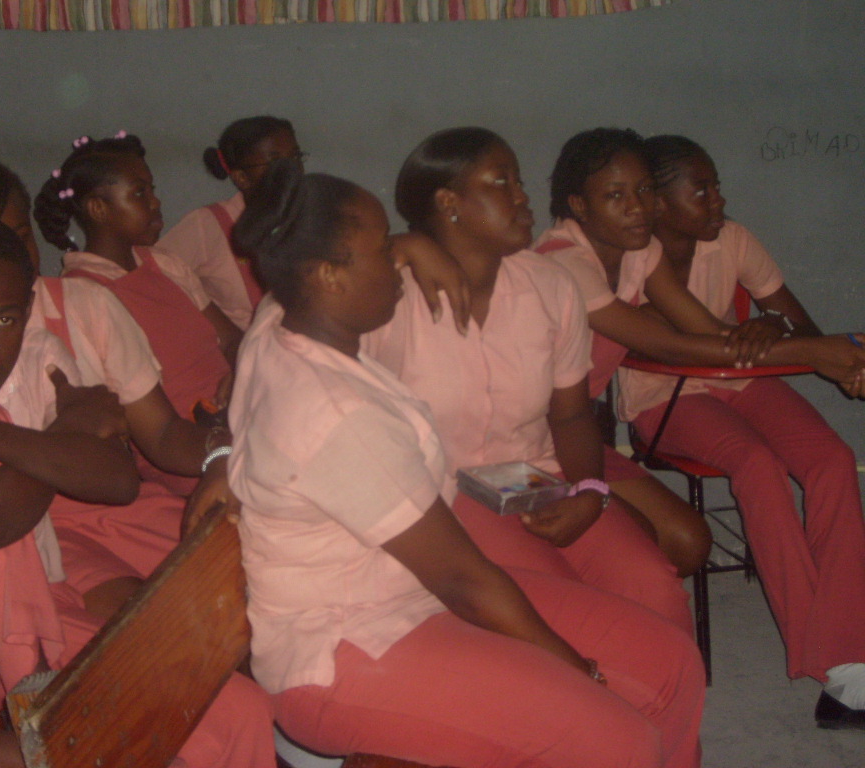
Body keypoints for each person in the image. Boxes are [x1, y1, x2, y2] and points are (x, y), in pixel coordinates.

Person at [228, 158, 705, 768]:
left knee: (670, 662)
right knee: (617, 737)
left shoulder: (283, 323)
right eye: (384, 249)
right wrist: (578, 671)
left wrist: (410, 245)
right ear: (327, 276)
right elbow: (464, 581)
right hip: (348, 649)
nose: (399, 262)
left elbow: (284, 293)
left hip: (407, 596)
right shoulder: (333, 411)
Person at [0, 217, 274, 767]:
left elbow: (117, 480)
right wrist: (57, 433)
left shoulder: (38, 353)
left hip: (42, 608)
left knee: (238, 709)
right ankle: (35, 692)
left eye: (5, 318)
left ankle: (37, 686)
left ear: (28, 309)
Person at [359, 127, 690, 632]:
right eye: (502, 182)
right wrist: (394, 249)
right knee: (566, 607)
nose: (522, 196)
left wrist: (589, 491)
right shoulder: (386, 296)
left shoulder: (550, 286)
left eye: (518, 180)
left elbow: (572, 415)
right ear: (449, 203)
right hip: (439, 496)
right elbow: (297, 313)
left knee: (651, 583)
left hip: (537, 479)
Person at [532, 127, 865, 576]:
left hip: (573, 430)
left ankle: (831, 619)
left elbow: (708, 332)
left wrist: (798, 340)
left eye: (644, 190)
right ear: (579, 205)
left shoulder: (641, 250)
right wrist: (816, 351)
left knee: (686, 544)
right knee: (641, 547)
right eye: (615, 195)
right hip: (526, 429)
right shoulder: (563, 261)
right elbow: (672, 348)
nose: (637, 207)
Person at [619, 134, 865, 729]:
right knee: (757, 465)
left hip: (740, 379)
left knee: (833, 459)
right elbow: (658, 340)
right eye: (701, 190)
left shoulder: (731, 239)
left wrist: (768, 324)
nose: (719, 200)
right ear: (658, 202)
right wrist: (751, 338)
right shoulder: (631, 256)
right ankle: (840, 669)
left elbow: (803, 327)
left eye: (717, 186)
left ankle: (849, 648)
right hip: (664, 396)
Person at [0, 159, 236, 616]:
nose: (10, 256)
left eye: (20, 235)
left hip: (113, 502)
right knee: (148, 620)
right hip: (23, 527)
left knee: (237, 569)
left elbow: (163, 434)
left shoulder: (85, 305)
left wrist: (224, 452)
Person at [34, 133, 242, 497]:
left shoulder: (163, 263)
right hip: (187, 446)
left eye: (151, 189)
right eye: (139, 193)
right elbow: (155, 430)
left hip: (238, 413)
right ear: (98, 209)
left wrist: (239, 374)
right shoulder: (83, 296)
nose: (155, 202)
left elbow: (232, 339)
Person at [157, 116, 303, 330]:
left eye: (295, 157)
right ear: (241, 177)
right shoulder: (207, 224)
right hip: (244, 346)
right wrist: (217, 326)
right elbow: (153, 278)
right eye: (275, 162)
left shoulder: (313, 216)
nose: (292, 169)